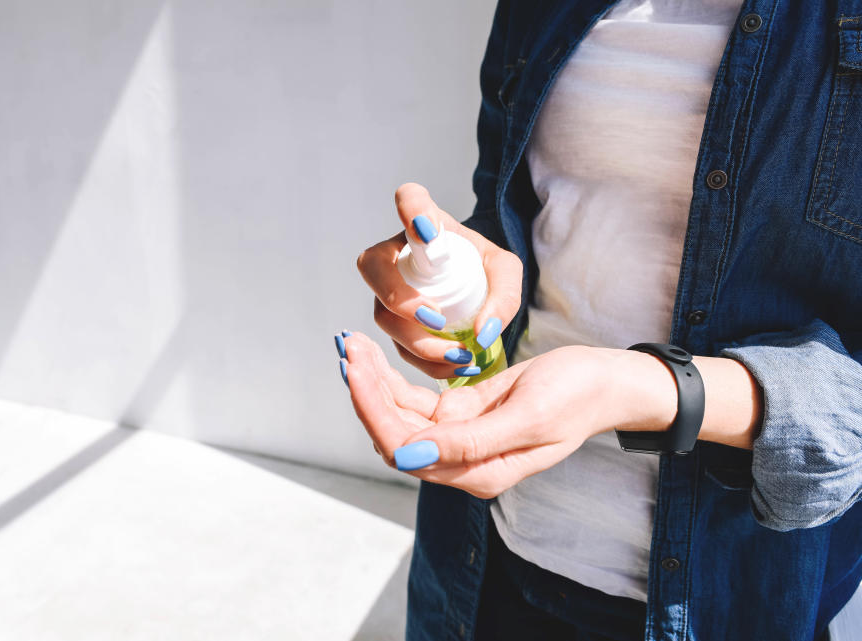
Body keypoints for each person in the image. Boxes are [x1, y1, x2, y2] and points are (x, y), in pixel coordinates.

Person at [335, 1, 862, 639]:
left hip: (722, 602)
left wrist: (643, 389)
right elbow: (516, 217)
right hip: (481, 553)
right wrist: (451, 273)